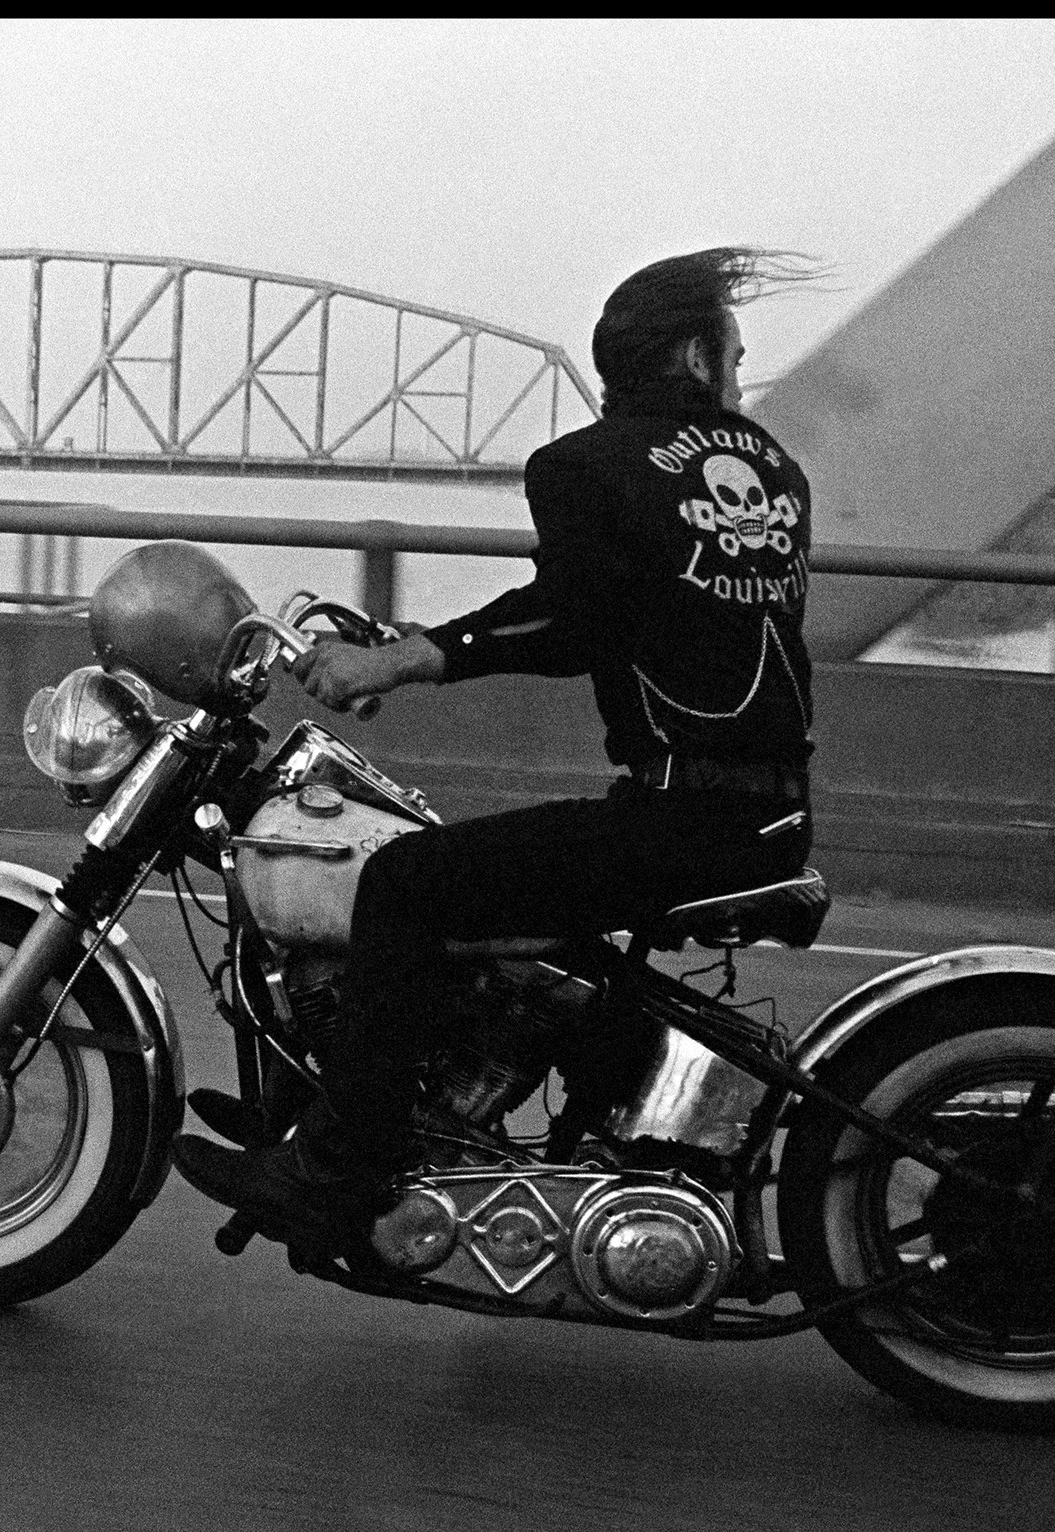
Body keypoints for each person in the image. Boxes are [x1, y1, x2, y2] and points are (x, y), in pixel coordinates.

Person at [175, 245, 825, 1242]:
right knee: (510, 905)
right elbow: (646, 613)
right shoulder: (774, 472)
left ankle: (341, 1168)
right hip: (763, 806)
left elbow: (573, 621)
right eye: (734, 352)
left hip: (682, 815)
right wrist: (408, 649)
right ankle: (345, 1102)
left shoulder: (588, 465)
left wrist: (401, 663)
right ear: (694, 355)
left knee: (403, 881)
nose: (739, 373)